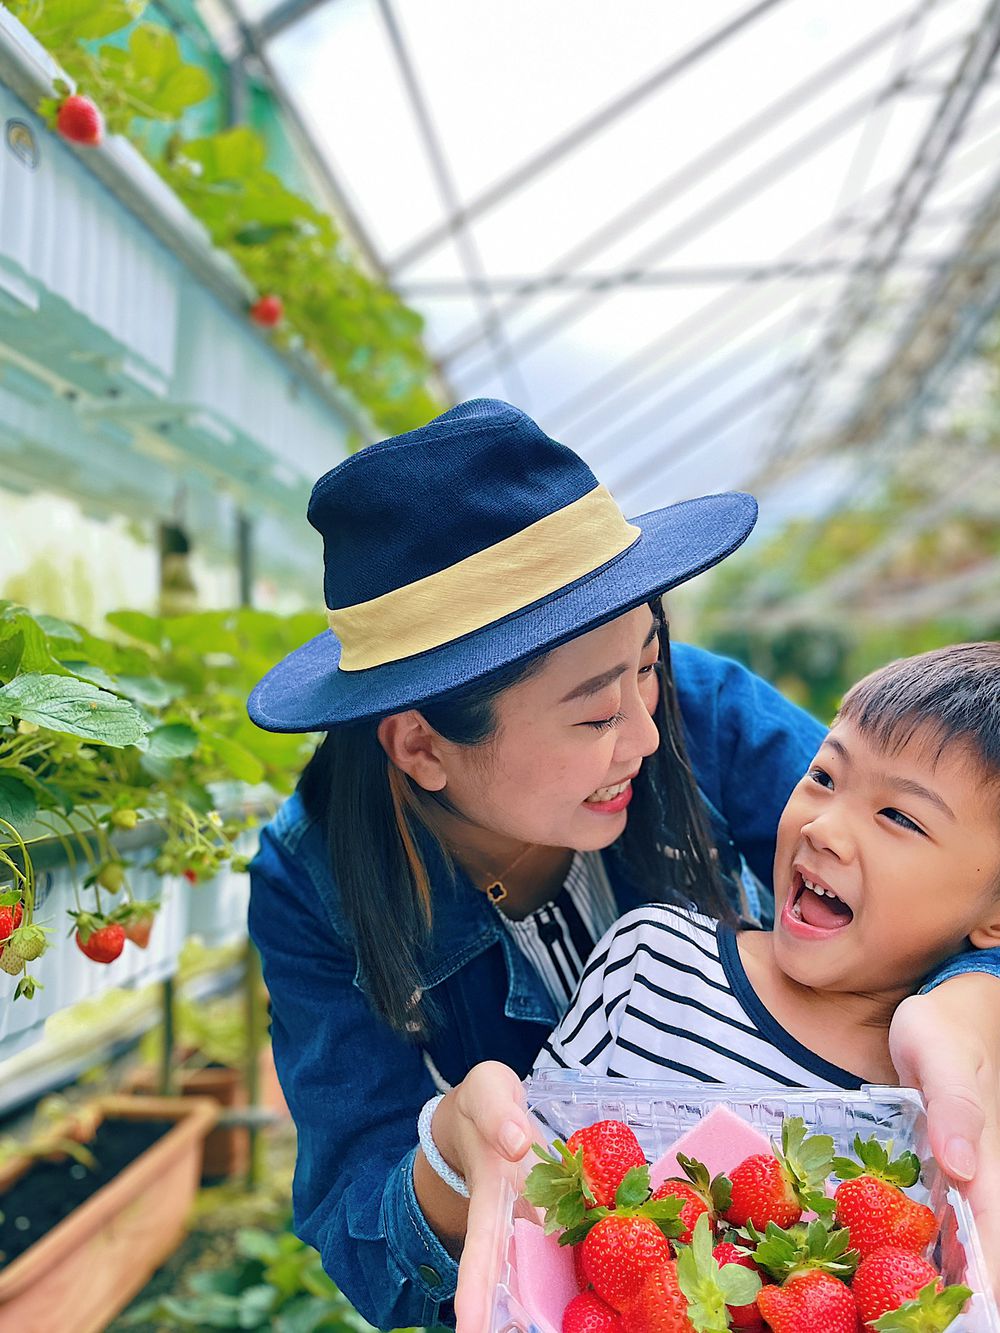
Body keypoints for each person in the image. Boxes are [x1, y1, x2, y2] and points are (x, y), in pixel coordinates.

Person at [245, 399, 1000, 1332]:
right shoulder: (311, 884)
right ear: (420, 746)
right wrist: (454, 1153)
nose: (648, 732)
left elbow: (947, 870)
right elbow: (361, 1229)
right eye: (595, 713)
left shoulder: (706, 711)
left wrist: (967, 995)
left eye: (647, 664)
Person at [537, 642, 1000, 1094]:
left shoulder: (951, 1092)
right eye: (822, 777)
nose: (823, 829)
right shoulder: (654, 962)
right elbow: (533, 1159)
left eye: (898, 817)